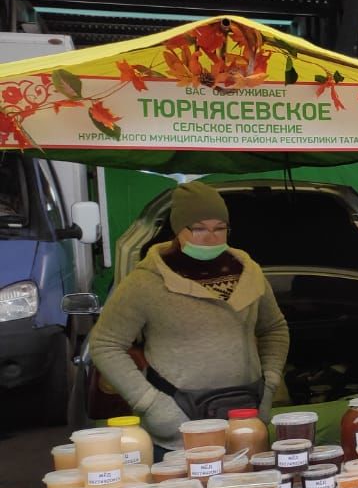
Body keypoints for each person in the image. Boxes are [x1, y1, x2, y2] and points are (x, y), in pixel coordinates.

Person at [90, 181, 290, 449]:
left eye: (220, 229)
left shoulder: (248, 272)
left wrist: (270, 384)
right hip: (179, 427)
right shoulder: (145, 282)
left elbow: (274, 328)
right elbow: (105, 344)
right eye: (199, 229)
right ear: (178, 229)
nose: (211, 238)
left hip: (246, 419)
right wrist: (149, 403)